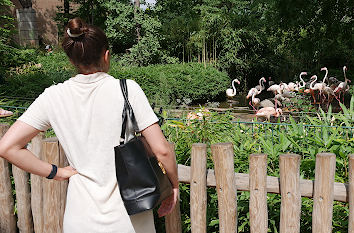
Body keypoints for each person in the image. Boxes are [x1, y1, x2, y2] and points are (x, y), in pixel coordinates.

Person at [0, 18, 178, 233]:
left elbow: (7, 147)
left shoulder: (53, 96)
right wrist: (174, 186)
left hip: (79, 220)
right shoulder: (127, 90)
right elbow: (162, 150)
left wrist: (55, 172)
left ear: (71, 60)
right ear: (106, 55)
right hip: (129, 219)